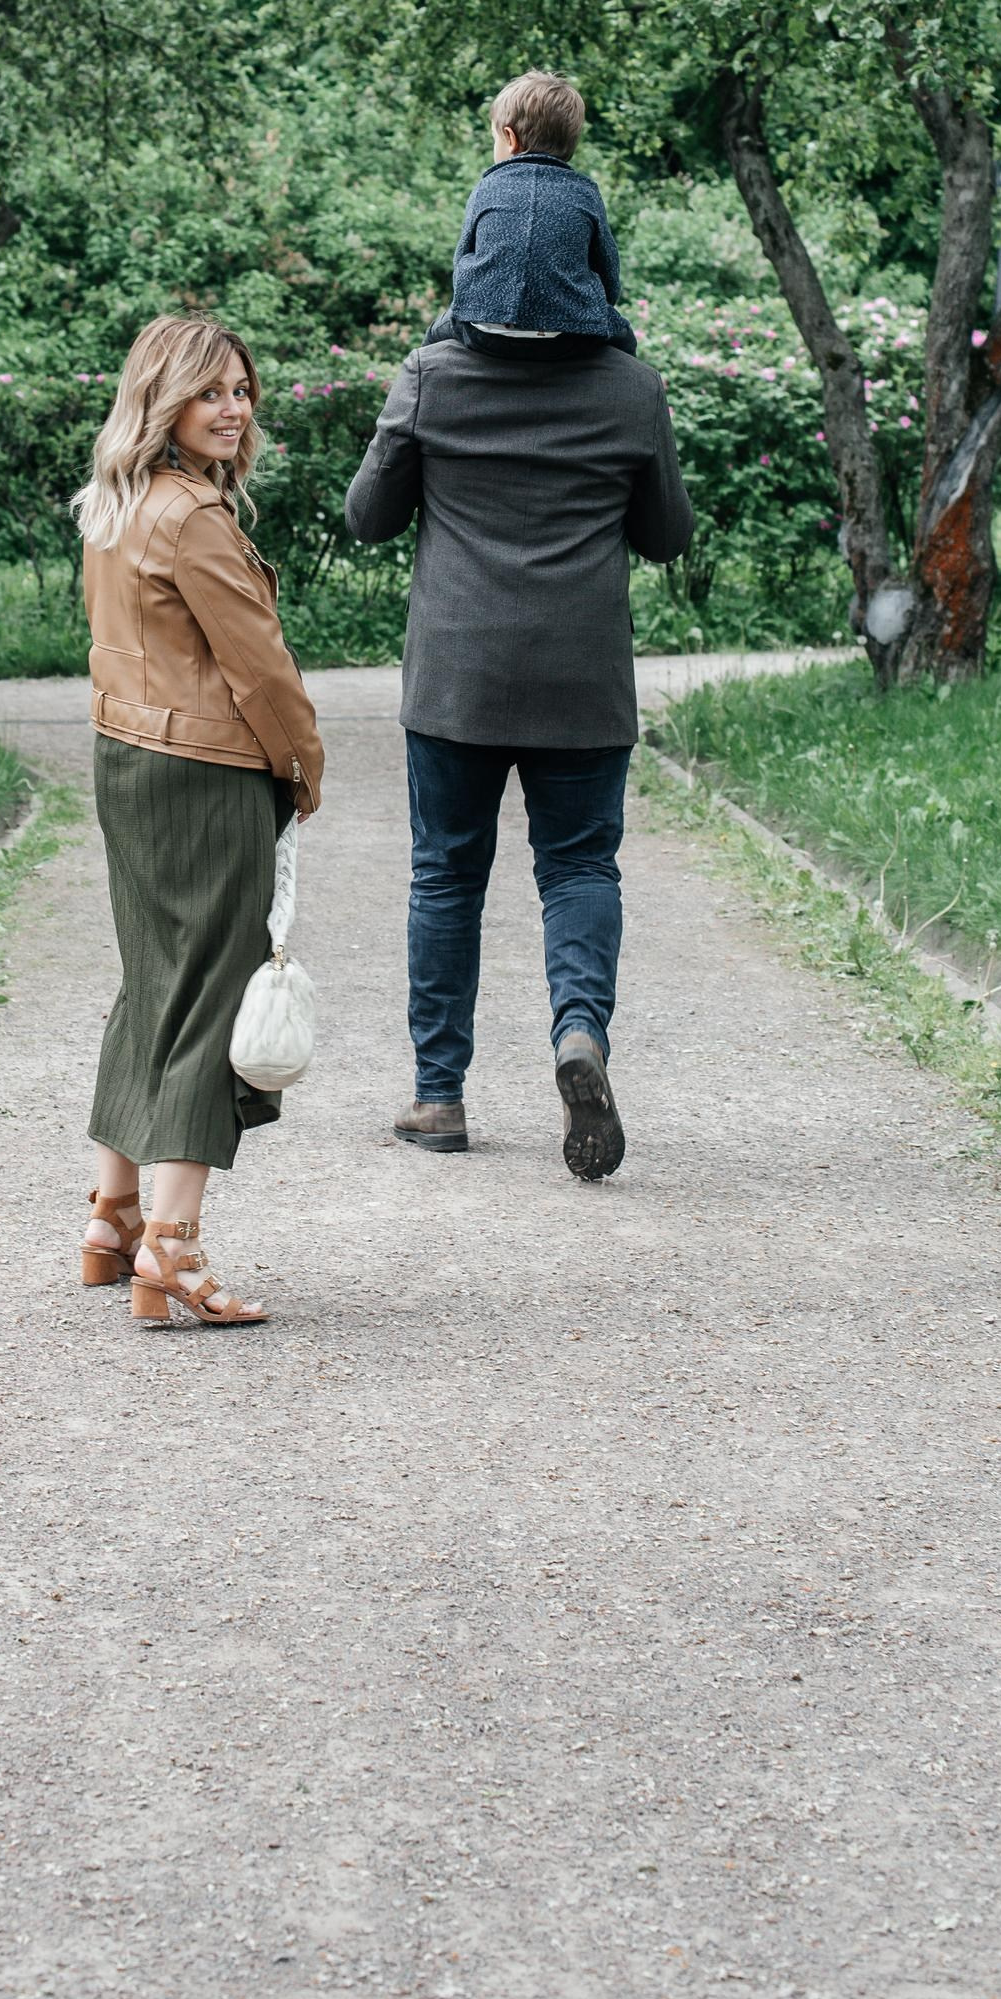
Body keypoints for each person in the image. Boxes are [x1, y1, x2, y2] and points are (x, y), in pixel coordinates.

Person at [346, 75, 694, 1179]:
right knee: (579, 864)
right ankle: (575, 1029)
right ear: (589, 242)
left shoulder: (431, 377)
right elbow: (665, 537)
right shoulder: (630, 389)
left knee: (446, 873)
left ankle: (438, 1096)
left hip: (455, 678)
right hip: (582, 679)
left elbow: (367, 517)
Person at [73, 317, 324, 1327]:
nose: (233, 408)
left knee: (151, 984)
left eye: (242, 390)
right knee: (209, 1000)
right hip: (205, 771)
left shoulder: (116, 503)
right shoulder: (192, 517)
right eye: (210, 391)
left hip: (126, 759)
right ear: (163, 399)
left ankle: (113, 1218)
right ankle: (171, 1250)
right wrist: (302, 763)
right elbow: (257, 664)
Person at [448, 69, 638, 354]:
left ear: (509, 138)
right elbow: (607, 268)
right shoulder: (585, 191)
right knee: (625, 339)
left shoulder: (488, 185)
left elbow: (462, 258)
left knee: (435, 335)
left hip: (486, 332)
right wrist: (601, 306)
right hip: (570, 335)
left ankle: (426, 381)